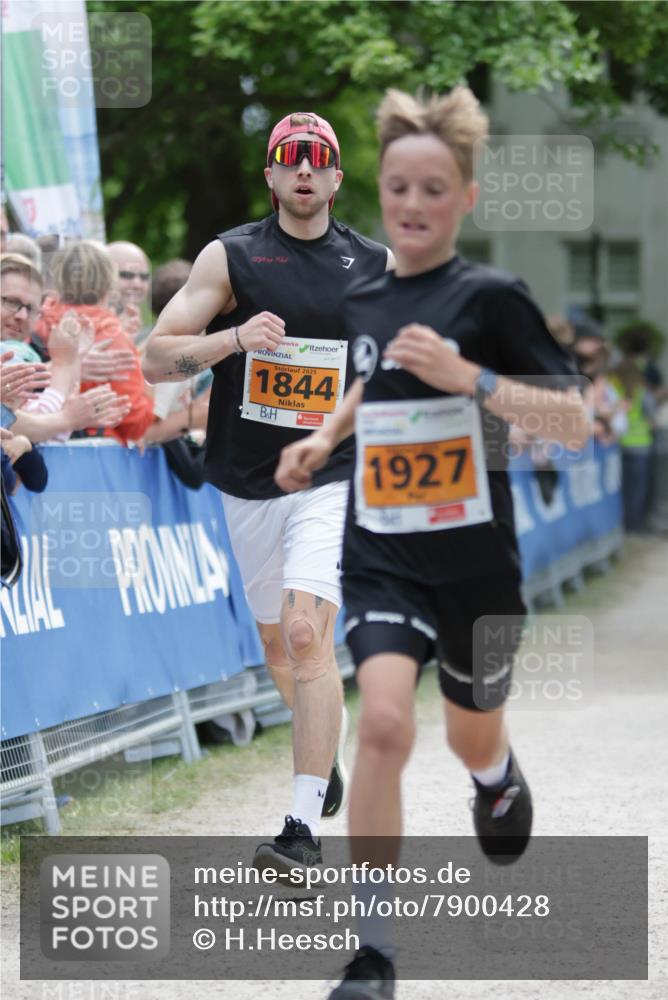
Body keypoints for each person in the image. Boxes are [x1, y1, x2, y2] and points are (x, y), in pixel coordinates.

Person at [275, 87, 589, 998]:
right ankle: (373, 955)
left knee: (467, 733)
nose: (412, 206)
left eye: (433, 190)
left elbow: (571, 420)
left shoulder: (492, 297)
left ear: (465, 199)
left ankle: (494, 775)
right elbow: (371, 386)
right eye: (399, 188)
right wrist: (325, 439)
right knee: (380, 721)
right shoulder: (365, 294)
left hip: (476, 560)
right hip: (382, 546)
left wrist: (469, 376)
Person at [143, 111, 392, 869]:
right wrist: (233, 339)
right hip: (247, 480)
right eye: (292, 158)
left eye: (320, 159)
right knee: (278, 646)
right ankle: (324, 760)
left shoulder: (375, 264)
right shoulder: (233, 256)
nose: (306, 170)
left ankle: (301, 828)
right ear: (272, 175)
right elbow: (155, 359)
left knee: (309, 635)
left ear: (338, 177)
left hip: (332, 476)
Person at [35, 241, 153, 446]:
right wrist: (150, 389)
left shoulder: (36, 322)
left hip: (31, 443)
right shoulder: (112, 336)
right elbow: (133, 421)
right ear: (109, 282)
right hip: (92, 454)